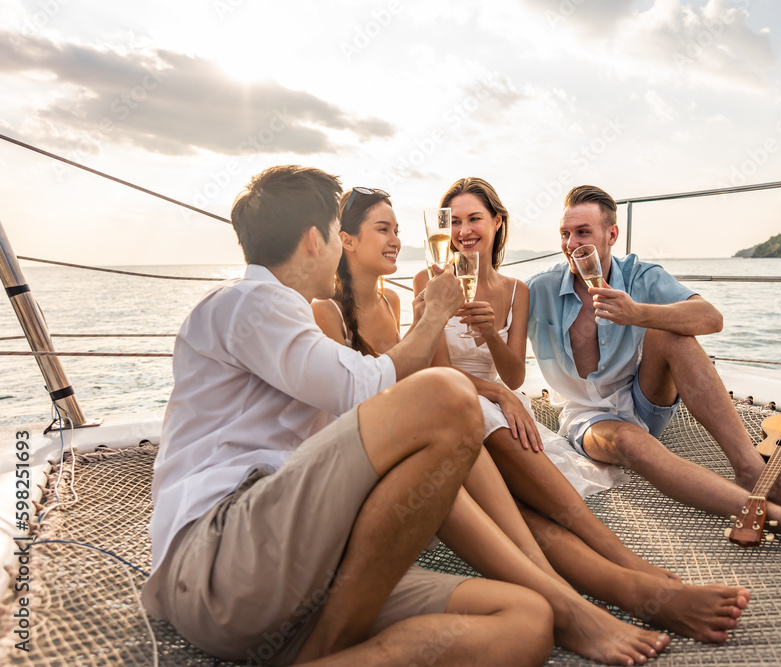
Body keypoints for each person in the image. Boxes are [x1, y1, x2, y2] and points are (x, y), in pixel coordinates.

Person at [142, 166, 554, 667]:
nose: (342, 248)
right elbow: (365, 388)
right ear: (317, 240)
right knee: (445, 396)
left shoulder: (289, 318)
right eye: (339, 237)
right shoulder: (248, 302)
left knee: (525, 622)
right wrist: (434, 317)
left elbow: (359, 391)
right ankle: (563, 587)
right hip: (222, 557)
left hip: (297, 577)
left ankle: (322, 654)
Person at [318, 181, 752, 647]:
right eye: (384, 229)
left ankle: (613, 586)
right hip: (429, 420)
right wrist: (485, 381)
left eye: (473, 219)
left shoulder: (401, 299)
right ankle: (614, 579)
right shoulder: (377, 298)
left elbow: (505, 377)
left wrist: (490, 346)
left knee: (520, 502)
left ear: (496, 223)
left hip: (450, 413)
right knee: (480, 421)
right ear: (344, 239)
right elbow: (418, 377)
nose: (460, 231)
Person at [526, 185, 781, 565]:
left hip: (644, 398)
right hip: (589, 417)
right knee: (633, 446)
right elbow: (494, 317)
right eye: (565, 233)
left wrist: (638, 313)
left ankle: (752, 471)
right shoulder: (541, 288)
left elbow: (711, 318)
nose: (572, 243)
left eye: (583, 232)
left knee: (674, 334)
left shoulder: (641, 276)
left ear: (611, 235)